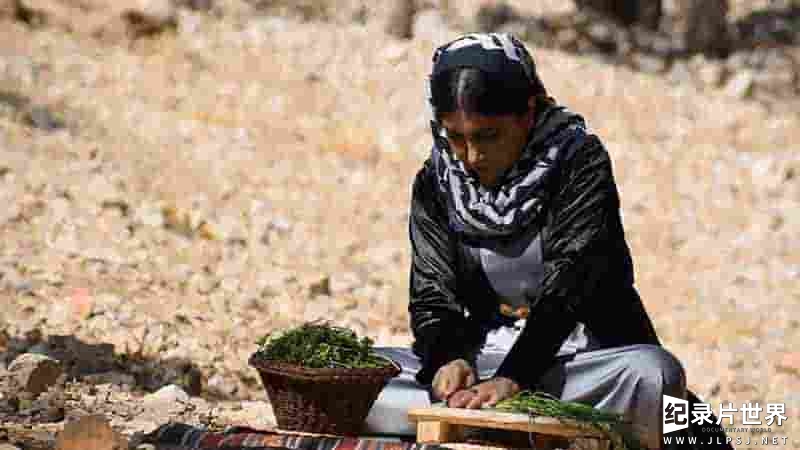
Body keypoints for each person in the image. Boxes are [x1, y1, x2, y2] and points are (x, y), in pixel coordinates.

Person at [364, 33, 732, 450]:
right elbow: (432, 294)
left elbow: (569, 285)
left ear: (528, 112)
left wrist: (514, 379)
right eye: (456, 137)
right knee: (362, 375)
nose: (471, 156)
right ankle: (486, 420)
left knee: (653, 375)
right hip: (482, 362)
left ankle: (489, 421)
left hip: (574, 361)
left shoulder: (578, 163)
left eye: (488, 136)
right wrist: (447, 357)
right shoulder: (436, 182)